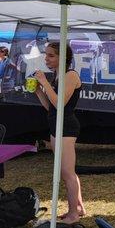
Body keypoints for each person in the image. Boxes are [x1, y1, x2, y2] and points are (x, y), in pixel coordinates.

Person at [33, 42, 85, 224]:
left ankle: (73, 214)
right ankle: (78, 207)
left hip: (66, 128)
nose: (46, 59)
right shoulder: (57, 77)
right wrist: (38, 91)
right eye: (46, 55)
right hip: (56, 125)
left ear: (63, 58)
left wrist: (44, 82)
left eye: (51, 56)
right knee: (66, 171)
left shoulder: (70, 75)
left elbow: (60, 104)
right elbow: (51, 107)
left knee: (67, 172)